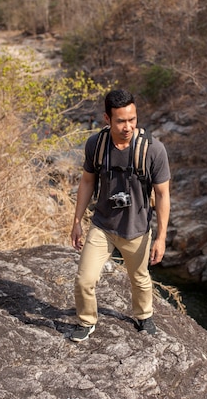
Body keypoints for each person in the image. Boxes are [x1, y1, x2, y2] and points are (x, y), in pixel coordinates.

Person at [70, 89, 171, 342]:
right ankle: (86, 321)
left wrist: (161, 237)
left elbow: (162, 195)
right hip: (103, 225)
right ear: (107, 118)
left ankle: (144, 316)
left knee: (139, 279)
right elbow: (86, 182)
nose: (128, 127)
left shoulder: (153, 150)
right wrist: (76, 222)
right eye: (121, 121)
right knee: (84, 279)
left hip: (137, 228)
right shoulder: (96, 144)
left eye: (132, 119)